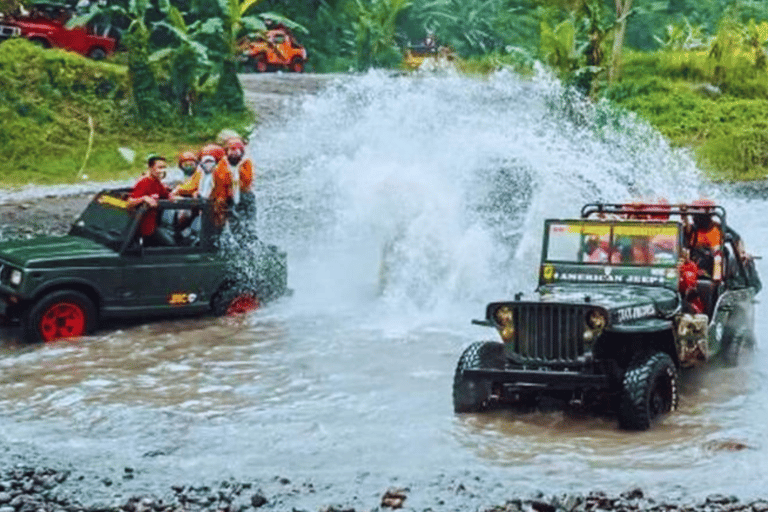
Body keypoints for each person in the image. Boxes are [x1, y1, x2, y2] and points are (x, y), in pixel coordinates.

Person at [128, 155, 174, 246]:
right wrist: (144, 198)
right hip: (143, 229)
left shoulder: (157, 182)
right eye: (160, 167)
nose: (162, 170)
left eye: (164, 167)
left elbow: (167, 196)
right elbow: (129, 203)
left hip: (153, 226)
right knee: (171, 245)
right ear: (151, 168)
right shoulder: (144, 182)